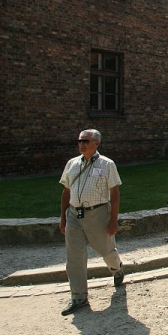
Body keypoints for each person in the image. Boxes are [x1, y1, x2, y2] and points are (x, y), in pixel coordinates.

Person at [59, 129, 124, 316]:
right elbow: (66, 192)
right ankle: (78, 297)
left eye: (85, 140)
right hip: (74, 215)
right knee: (74, 257)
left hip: (98, 214)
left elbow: (115, 194)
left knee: (105, 250)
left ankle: (117, 268)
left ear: (96, 143)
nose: (81, 144)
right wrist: (63, 217)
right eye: (79, 140)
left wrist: (113, 220)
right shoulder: (71, 164)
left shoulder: (107, 164)